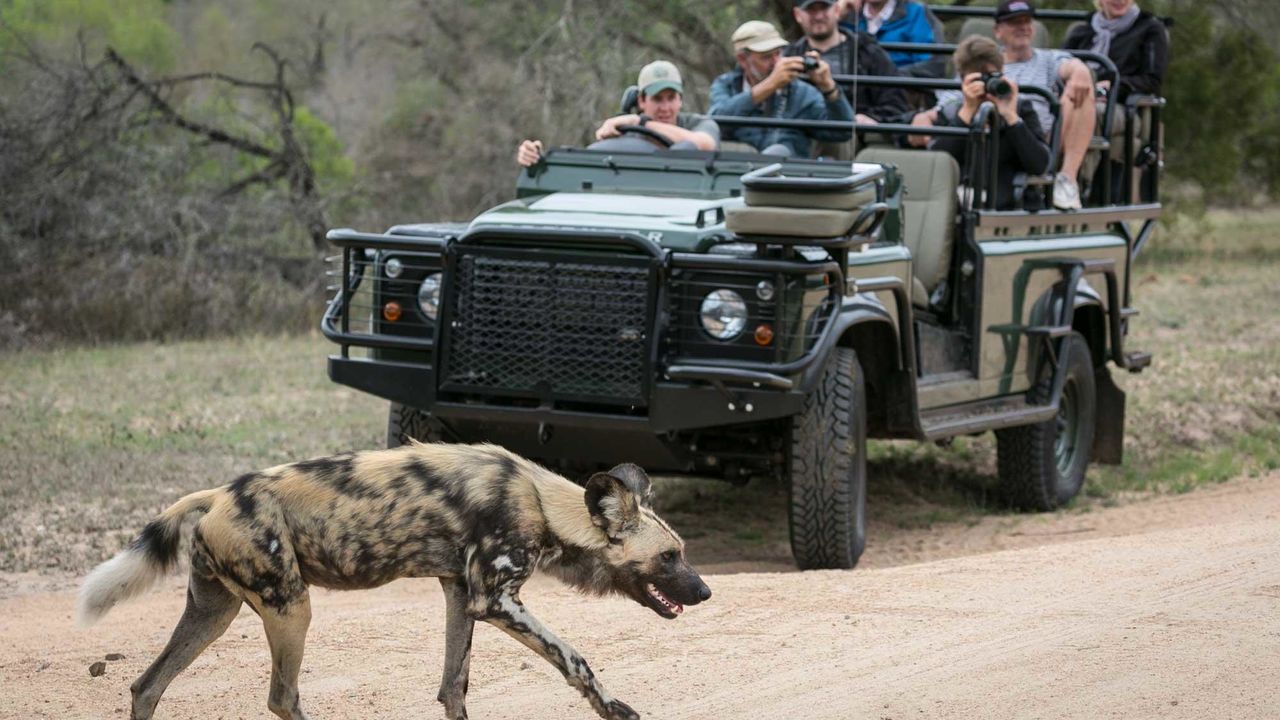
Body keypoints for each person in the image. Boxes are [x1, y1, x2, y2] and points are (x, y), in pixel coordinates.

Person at [918, 0, 1095, 209]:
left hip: (1038, 134)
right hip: (979, 134)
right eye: (1014, 22)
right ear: (998, 31)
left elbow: (1073, 66)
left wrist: (1011, 114)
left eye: (1027, 21)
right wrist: (966, 109)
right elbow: (945, 109)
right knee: (928, 126)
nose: (1022, 27)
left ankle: (1067, 178)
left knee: (1080, 92)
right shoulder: (975, 69)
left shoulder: (1047, 62)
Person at [515, 60, 719, 167]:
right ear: (641, 100)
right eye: (657, 99)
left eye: (671, 98)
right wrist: (534, 157)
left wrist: (640, 121)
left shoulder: (698, 123)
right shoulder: (622, 135)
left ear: (680, 100)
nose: (665, 108)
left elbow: (705, 144)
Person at [928, 37, 1052, 210]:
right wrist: (967, 113)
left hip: (1008, 207)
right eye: (978, 79)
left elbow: (1040, 165)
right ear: (963, 80)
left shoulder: (1022, 108)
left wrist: (1011, 117)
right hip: (958, 206)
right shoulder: (951, 112)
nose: (985, 86)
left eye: (992, 77)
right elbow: (937, 163)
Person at [709, 20, 854, 157]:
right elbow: (715, 123)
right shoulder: (726, 85)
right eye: (766, 57)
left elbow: (843, 133)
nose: (776, 62)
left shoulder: (800, 92)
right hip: (737, 172)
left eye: (778, 53)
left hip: (788, 175)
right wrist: (770, 85)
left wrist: (829, 87)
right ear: (742, 59)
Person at [785, 0, 911, 125]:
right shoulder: (789, 57)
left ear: (836, 10)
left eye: (824, 8)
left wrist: (872, 118)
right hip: (805, 131)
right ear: (798, 15)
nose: (818, 16)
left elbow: (895, 102)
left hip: (854, 132)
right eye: (811, 10)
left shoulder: (866, 50)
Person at [1063, 0, 1168, 103]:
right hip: (1073, 95)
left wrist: (1114, 86)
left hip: (1119, 104)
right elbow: (1058, 65)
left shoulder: (1150, 29)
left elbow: (1151, 81)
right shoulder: (1081, 31)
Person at [841, 0, 946, 75]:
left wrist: (891, 75)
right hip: (853, 93)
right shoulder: (846, 13)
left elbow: (933, 64)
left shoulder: (916, 12)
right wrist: (837, 17)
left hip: (904, 92)